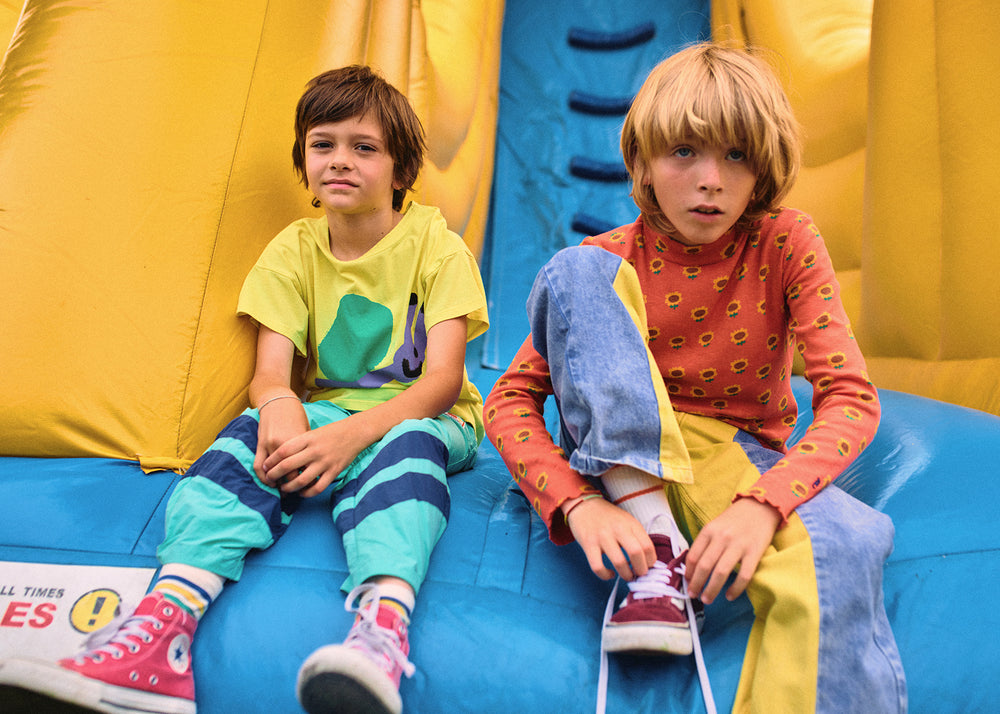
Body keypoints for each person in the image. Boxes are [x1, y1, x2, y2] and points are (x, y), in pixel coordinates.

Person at [0, 65, 489, 714]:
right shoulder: (293, 250)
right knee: (243, 443)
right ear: (303, 161)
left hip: (431, 416)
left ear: (401, 172)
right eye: (323, 144)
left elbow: (441, 382)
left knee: (408, 446)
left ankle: (381, 629)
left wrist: (347, 437)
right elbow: (269, 375)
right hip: (326, 406)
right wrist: (284, 413)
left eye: (364, 147)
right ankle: (163, 630)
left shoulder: (435, 246)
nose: (340, 160)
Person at [484, 43, 906, 712]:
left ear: (762, 167)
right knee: (575, 271)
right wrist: (577, 502)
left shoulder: (785, 241)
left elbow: (849, 396)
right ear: (645, 166)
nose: (711, 179)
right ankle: (655, 552)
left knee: (847, 542)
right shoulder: (608, 258)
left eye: (736, 155)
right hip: (613, 461)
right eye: (684, 153)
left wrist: (764, 505)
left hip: (734, 455)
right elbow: (509, 400)